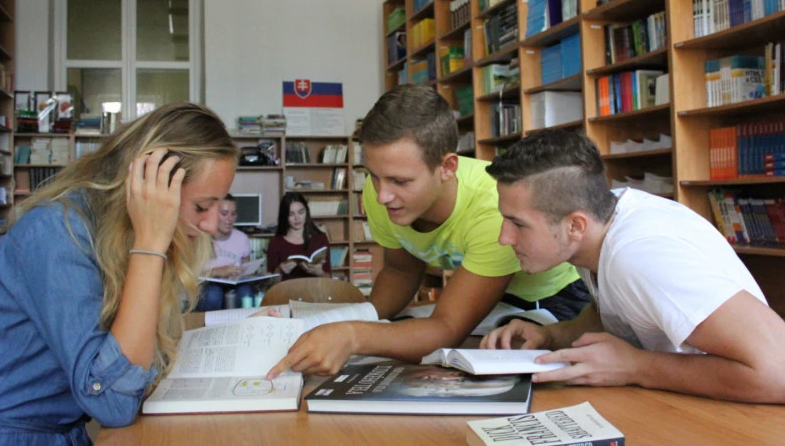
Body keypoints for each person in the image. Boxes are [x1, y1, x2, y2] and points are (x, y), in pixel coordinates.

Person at [0, 102, 238, 446]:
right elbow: (113, 401)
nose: (214, 225)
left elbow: (145, 363)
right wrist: (151, 243)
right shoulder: (58, 233)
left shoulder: (114, 236)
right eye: (202, 206)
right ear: (149, 186)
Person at [267, 85, 586, 380]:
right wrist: (344, 322)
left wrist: (351, 334)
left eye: (400, 181)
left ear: (447, 168)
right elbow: (400, 271)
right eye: (374, 176)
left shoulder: (493, 209)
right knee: (400, 339)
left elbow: (447, 329)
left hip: (549, 303)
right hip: (492, 301)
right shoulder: (382, 192)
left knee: (464, 364)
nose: (382, 196)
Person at [480, 129, 785, 405]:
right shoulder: (598, 227)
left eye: (518, 223)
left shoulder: (640, 256)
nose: (503, 238)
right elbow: (618, 315)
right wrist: (551, 335)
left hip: (759, 423)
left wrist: (636, 367)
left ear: (575, 225)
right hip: (691, 408)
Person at [199, 194, 254, 310]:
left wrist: (242, 273)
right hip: (207, 287)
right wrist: (218, 271)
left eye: (233, 214)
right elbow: (190, 275)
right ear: (213, 213)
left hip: (235, 285)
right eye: (224, 214)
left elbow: (247, 270)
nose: (229, 219)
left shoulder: (242, 238)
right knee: (213, 294)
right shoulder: (201, 238)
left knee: (246, 292)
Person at [266, 192, 331, 279]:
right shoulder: (275, 243)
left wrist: (320, 273)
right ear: (284, 216)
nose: (297, 218)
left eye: (301, 212)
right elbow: (271, 284)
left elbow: (329, 278)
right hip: (287, 288)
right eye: (291, 214)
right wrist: (279, 271)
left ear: (307, 212)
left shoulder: (321, 238)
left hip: (315, 287)